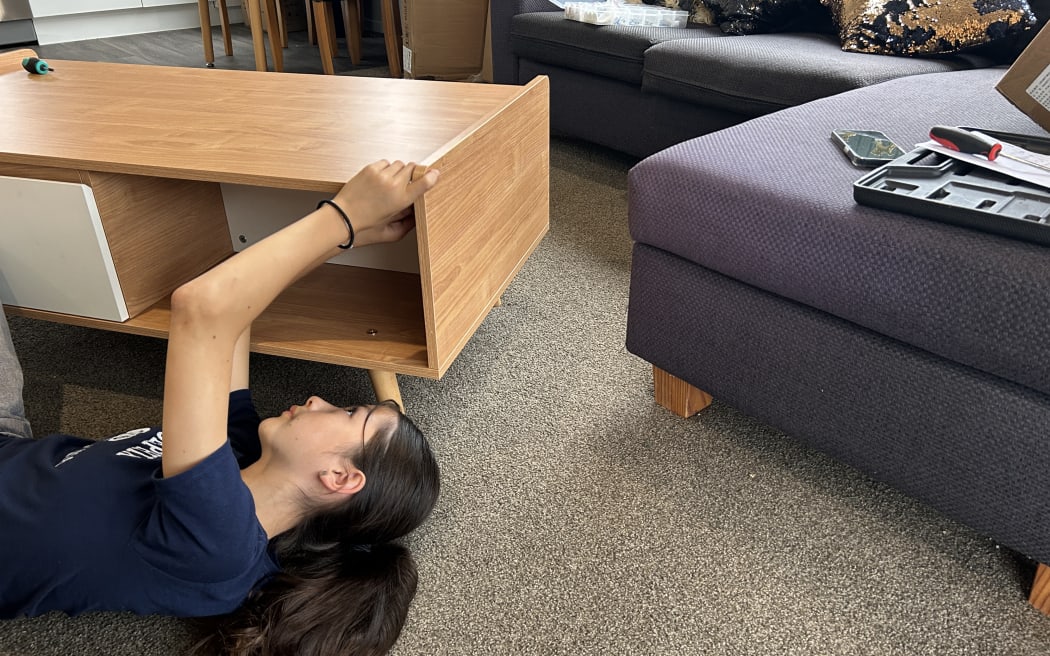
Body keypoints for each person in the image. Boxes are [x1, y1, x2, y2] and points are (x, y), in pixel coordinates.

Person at [0, 160, 442, 656]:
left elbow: (201, 307)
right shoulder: (244, 457)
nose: (321, 400)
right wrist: (348, 239)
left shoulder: (221, 547)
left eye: (348, 414)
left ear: (340, 478)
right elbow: (230, 312)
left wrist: (341, 217)